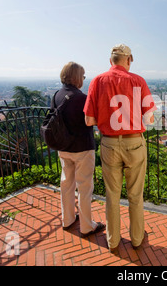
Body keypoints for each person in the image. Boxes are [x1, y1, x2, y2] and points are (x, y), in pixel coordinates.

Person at [83, 44, 156, 253]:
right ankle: (136, 238)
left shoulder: (97, 81)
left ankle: (113, 240)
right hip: (134, 142)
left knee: (112, 194)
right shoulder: (138, 81)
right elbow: (149, 117)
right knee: (135, 194)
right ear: (129, 60)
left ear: (110, 61)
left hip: (109, 143)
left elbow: (89, 120)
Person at [55, 61, 105, 237]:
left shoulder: (57, 95)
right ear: (77, 77)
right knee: (84, 188)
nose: (84, 79)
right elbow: (92, 120)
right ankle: (86, 226)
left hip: (63, 147)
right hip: (82, 148)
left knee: (66, 184)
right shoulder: (83, 98)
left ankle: (67, 219)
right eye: (83, 76)